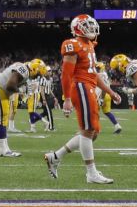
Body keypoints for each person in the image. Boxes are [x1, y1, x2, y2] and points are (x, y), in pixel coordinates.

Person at [45, 15, 118, 184]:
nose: (92, 29)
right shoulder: (73, 45)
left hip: (89, 87)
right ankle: (91, 173)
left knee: (93, 133)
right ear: (78, 28)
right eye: (87, 26)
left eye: (92, 25)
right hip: (80, 88)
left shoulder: (90, 45)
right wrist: (67, 99)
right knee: (87, 131)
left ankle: (55, 157)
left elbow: (94, 75)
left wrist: (110, 91)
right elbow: (66, 74)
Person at [0, 59, 48, 157]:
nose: (37, 77)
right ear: (34, 69)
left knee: (3, 120)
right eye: (38, 74)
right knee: (1, 120)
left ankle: (4, 149)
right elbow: (10, 85)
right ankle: (3, 150)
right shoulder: (24, 70)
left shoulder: (25, 69)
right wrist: (20, 91)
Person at [95, 61, 124, 134]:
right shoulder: (105, 74)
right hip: (108, 95)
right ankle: (117, 125)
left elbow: (102, 87)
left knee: (95, 112)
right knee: (107, 112)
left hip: (101, 94)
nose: (96, 69)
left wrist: (101, 98)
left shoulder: (98, 74)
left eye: (97, 68)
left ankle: (96, 128)